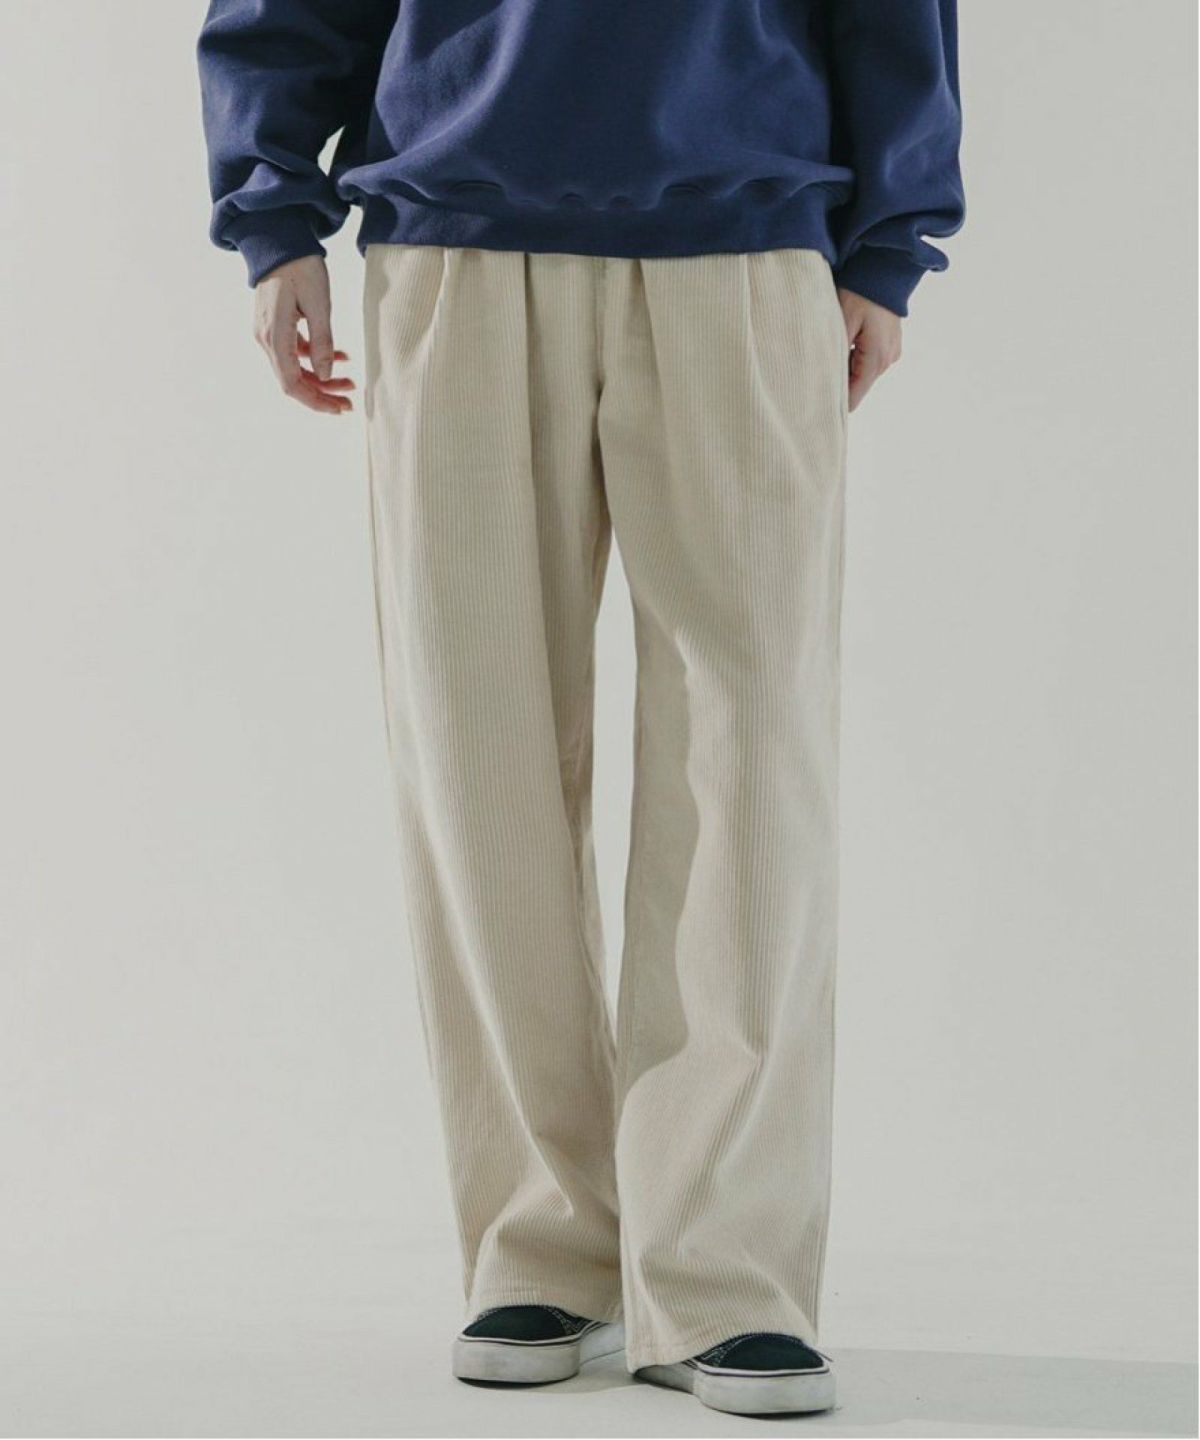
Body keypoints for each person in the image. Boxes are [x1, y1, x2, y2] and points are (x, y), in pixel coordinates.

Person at [198, 0, 963, 1417]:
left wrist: (890, 244)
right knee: (474, 754)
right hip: (455, 238)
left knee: (753, 770)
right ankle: (537, 1239)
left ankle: (724, 1268)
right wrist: (274, 218)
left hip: (745, 238)